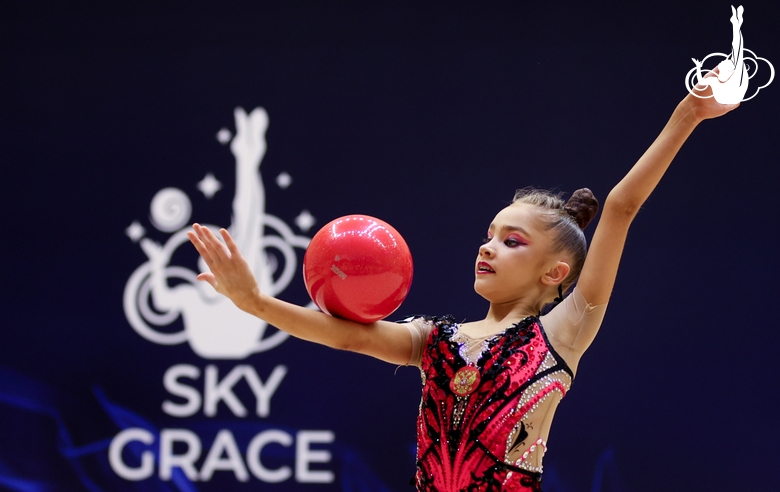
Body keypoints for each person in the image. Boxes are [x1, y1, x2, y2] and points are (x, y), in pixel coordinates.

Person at [187, 76, 738, 490]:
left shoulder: (564, 334)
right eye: (489, 234)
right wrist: (255, 302)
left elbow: (621, 207)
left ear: (556, 273)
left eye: (512, 241)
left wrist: (687, 114)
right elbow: (348, 334)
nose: (487, 246)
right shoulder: (436, 340)